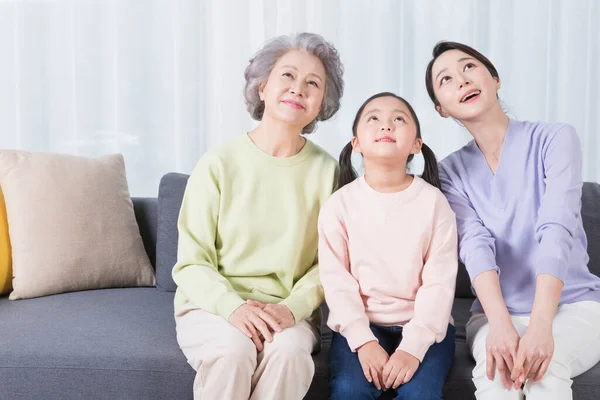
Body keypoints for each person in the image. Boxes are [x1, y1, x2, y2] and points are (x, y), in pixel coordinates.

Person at [172, 32, 344, 400]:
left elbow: (331, 263)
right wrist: (234, 309)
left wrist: (290, 308)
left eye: (313, 83)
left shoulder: (330, 174)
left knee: (289, 354)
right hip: (213, 306)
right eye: (287, 76)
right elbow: (191, 263)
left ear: (321, 105)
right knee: (233, 349)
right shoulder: (218, 163)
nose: (298, 88)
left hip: (288, 312)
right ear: (262, 87)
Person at [426, 41, 600, 400]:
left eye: (469, 67)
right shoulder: (448, 174)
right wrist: (501, 326)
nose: (461, 79)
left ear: (495, 78)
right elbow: (474, 246)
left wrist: (540, 325)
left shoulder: (555, 138)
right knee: (498, 378)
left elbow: (557, 228)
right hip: (493, 314)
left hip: (575, 305)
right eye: (446, 79)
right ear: (441, 108)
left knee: (544, 369)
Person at [319, 92, 458, 400]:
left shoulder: (434, 204)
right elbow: (336, 283)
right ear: (356, 143)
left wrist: (413, 348)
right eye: (374, 118)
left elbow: (439, 284)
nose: (386, 125)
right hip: (361, 326)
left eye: (399, 119)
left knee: (420, 395)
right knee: (348, 391)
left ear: (416, 145)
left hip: (426, 328)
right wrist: (364, 342)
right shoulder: (339, 206)